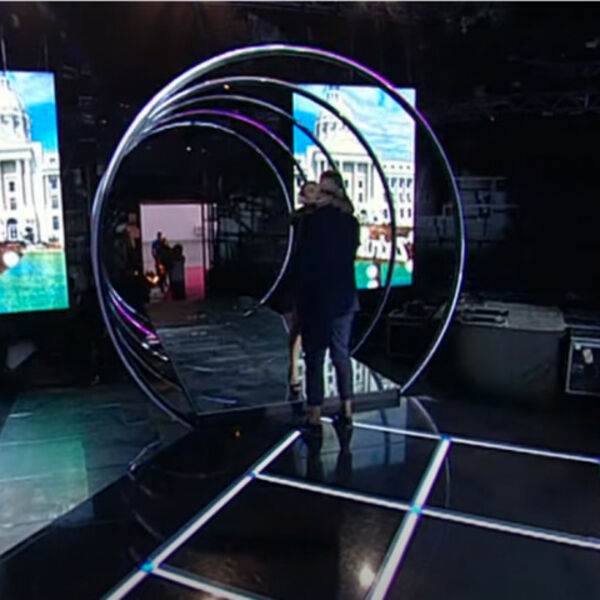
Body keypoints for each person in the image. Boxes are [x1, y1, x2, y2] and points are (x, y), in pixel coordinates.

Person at [293, 170, 360, 441]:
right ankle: (347, 410)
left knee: (315, 358)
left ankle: (314, 416)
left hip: (316, 300)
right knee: (341, 355)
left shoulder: (311, 222)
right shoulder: (351, 223)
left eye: (320, 191)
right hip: (344, 300)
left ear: (330, 195)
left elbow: (303, 263)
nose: (317, 195)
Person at [283, 180, 319, 397]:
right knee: (299, 324)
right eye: (311, 191)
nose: (316, 194)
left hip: (317, 277)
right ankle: (294, 368)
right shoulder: (301, 217)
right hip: (303, 276)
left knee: (308, 325)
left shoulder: (322, 216)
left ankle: (301, 369)